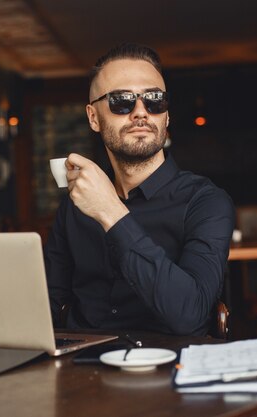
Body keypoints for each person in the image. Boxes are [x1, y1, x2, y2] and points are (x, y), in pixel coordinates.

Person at [44, 42, 234, 336]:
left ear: (166, 116)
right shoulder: (74, 205)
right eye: (122, 101)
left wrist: (110, 212)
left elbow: (191, 316)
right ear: (94, 118)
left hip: (168, 367)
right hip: (79, 366)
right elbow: (47, 306)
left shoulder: (206, 202)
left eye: (154, 100)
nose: (141, 112)